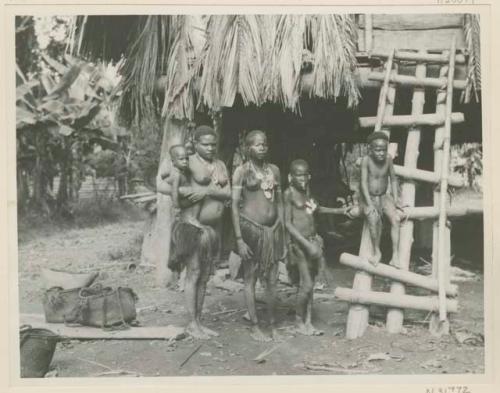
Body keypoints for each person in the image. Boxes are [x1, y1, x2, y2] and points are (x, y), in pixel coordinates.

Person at [169, 125, 231, 339]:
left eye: (214, 144)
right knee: (194, 273)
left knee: (205, 276)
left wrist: (206, 190)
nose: (211, 148)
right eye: (206, 144)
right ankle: (192, 323)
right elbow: (166, 182)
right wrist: (186, 190)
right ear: (195, 144)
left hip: (213, 228)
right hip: (194, 227)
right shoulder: (188, 161)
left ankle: (199, 322)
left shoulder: (220, 164)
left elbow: (228, 192)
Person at [284, 159, 350, 336]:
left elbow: (318, 209)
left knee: (310, 285)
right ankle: (298, 322)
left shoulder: (307, 193)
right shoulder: (288, 194)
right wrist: (306, 245)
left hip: (313, 241)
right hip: (300, 245)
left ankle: (308, 321)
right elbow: (287, 224)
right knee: (306, 284)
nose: (302, 178)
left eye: (305, 175)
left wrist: (341, 211)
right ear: (290, 177)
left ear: (309, 176)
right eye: (298, 175)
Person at [231, 130, 286, 342]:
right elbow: (234, 207)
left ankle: (272, 324)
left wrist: (280, 221)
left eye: (264, 144)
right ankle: (255, 325)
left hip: (271, 232)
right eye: (256, 144)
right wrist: (239, 239)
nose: (261, 147)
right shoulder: (241, 172)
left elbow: (279, 200)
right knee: (251, 277)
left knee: (272, 279)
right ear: (247, 148)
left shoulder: (274, 170)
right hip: (251, 230)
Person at [360, 131, 402, 267]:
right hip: (370, 197)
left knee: (396, 219)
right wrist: (368, 203)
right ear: (370, 149)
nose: (381, 153)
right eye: (377, 150)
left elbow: (394, 180)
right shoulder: (366, 160)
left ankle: (395, 256)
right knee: (373, 220)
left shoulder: (389, 159)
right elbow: (363, 183)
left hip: (384, 197)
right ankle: (377, 252)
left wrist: (396, 199)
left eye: (384, 150)